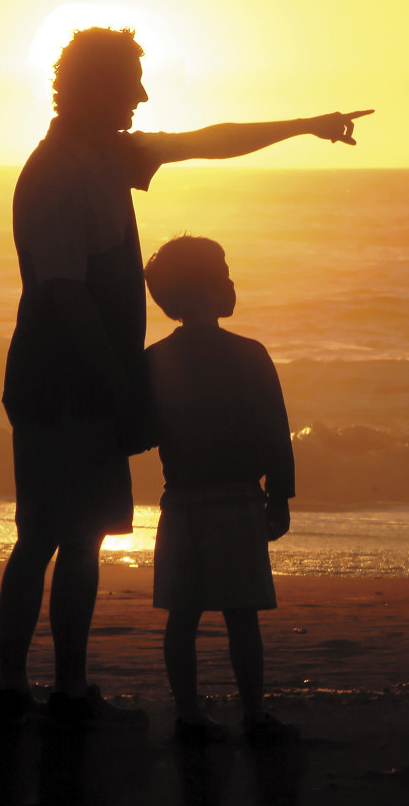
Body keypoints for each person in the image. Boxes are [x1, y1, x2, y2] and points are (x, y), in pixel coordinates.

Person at [0, 25, 369, 727]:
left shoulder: (109, 155)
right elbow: (63, 293)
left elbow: (207, 140)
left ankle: (69, 686)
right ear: (93, 87)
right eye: (129, 82)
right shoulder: (53, 174)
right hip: (58, 386)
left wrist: (306, 127)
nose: (140, 95)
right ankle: (14, 684)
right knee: (44, 534)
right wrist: (116, 381)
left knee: (82, 539)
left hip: (94, 387)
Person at [142, 236, 295, 742]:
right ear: (205, 291)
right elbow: (276, 431)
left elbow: (140, 433)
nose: (232, 284)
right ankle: (252, 712)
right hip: (237, 500)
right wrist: (280, 496)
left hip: (182, 500)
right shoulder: (250, 354)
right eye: (224, 276)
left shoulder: (156, 359)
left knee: (182, 615)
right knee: (241, 613)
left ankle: (188, 712)